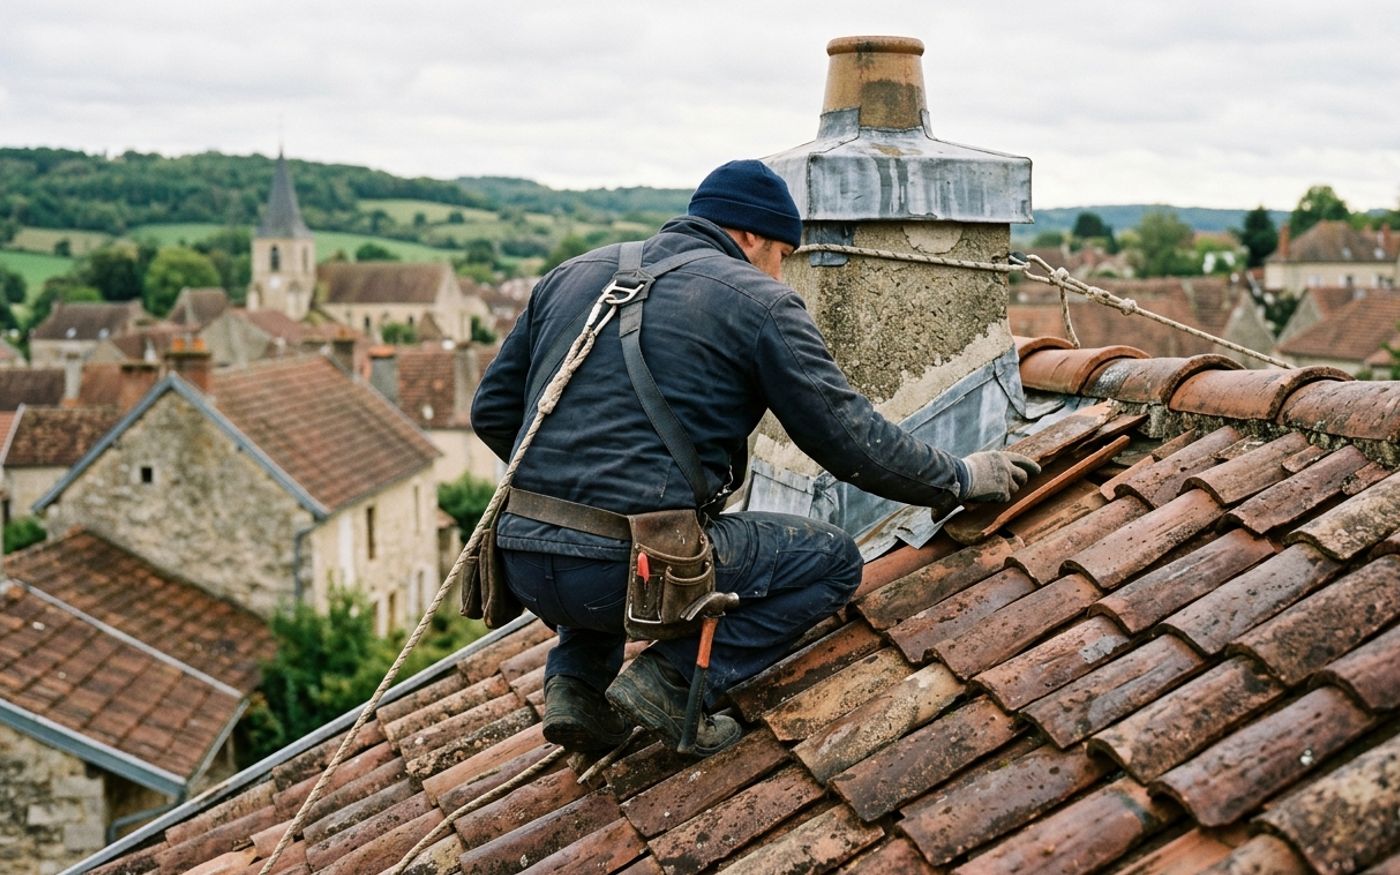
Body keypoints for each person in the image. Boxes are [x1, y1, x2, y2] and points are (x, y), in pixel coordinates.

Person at [471, 159, 1038, 756]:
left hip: (522, 564)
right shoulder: (759, 301)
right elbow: (850, 441)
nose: (782, 270)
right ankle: (672, 681)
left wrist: (560, 493)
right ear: (752, 236)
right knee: (834, 562)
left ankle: (576, 688)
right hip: (627, 576)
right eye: (783, 254)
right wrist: (960, 476)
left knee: (604, 531)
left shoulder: (570, 275)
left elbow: (491, 412)